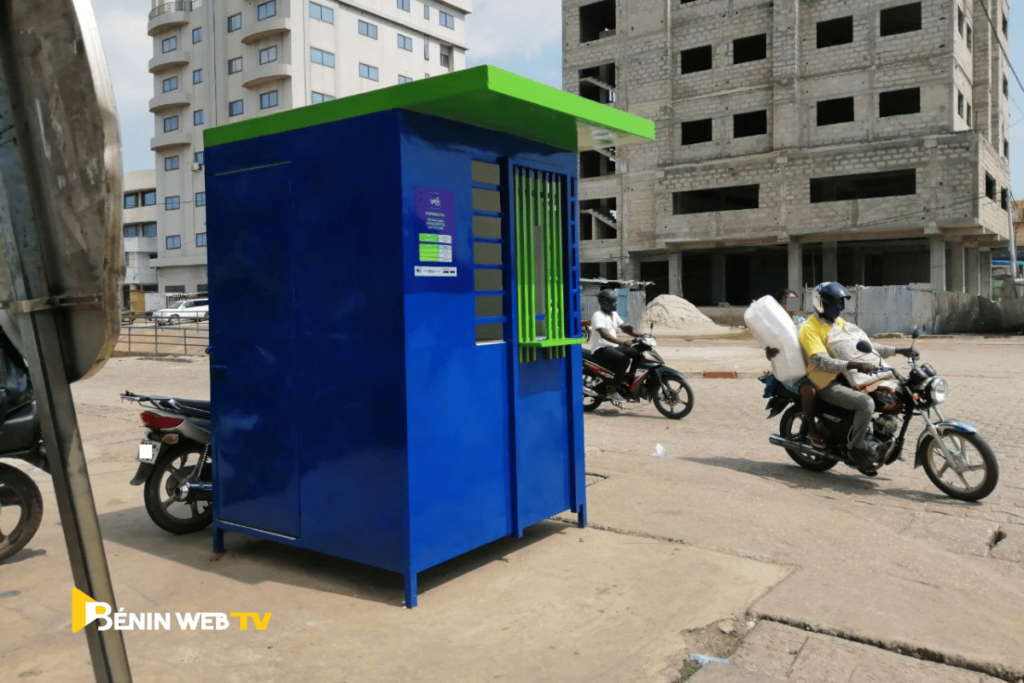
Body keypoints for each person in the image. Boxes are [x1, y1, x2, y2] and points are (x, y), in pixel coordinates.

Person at [800, 282, 917, 476]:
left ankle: (881, 438)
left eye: (841, 304)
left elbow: (866, 346)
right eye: (834, 304)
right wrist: (852, 365)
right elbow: (821, 361)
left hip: (851, 376)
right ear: (820, 303)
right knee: (865, 404)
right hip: (826, 382)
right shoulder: (810, 328)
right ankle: (856, 448)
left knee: (892, 393)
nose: (839, 308)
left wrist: (898, 350)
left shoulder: (840, 324)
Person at [764, 288, 821, 447]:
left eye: (794, 302)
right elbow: (768, 351)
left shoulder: (803, 321)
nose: (791, 306)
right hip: (791, 374)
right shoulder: (773, 326)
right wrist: (769, 353)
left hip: (810, 367)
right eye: (787, 302)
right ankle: (811, 430)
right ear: (778, 305)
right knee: (809, 391)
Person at [590, 288, 641, 405]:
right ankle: (613, 390)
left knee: (637, 353)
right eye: (613, 301)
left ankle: (630, 379)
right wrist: (622, 342)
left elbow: (625, 328)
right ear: (605, 303)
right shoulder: (597, 315)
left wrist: (640, 334)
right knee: (624, 360)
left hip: (613, 347)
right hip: (601, 349)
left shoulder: (614, 314)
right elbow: (603, 334)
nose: (616, 303)